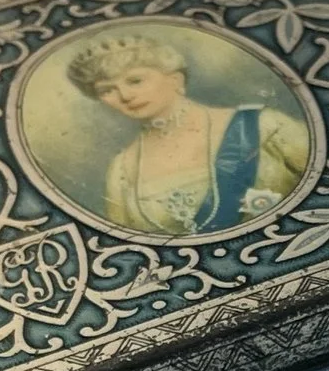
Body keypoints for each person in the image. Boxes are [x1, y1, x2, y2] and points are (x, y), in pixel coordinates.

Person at [65, 32, 310, 234]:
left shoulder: (263, 126)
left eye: (135, 80)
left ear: (174, 79)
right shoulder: (122, 171)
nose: (125, 96)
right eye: (107, 90)